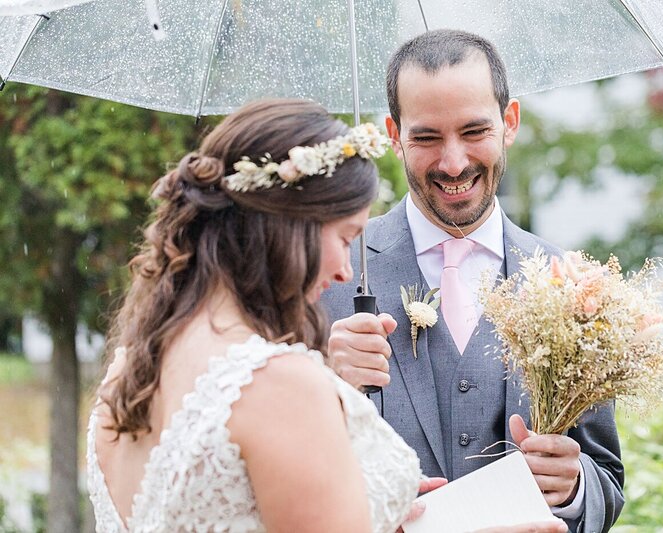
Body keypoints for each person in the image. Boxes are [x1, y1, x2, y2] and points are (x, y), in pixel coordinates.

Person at [322, 30, 625, 533]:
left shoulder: (573, 285)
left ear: (510, 122)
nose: (454, 162)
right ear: (394, 134)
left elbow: (606, 481)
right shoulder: (328, 274)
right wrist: (325, 385)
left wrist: (572, 487)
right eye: (426, 137)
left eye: (474, 130)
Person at [86, 98, 427, 532]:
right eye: (345, 238)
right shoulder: (279, 383)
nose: (345, 270)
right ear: (287, 225)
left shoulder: (128, 373)